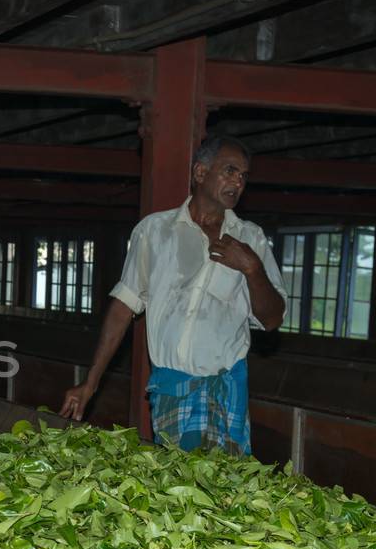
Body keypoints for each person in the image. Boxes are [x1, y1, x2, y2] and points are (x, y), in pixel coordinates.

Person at [59, 136, 285, 454]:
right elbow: (123, 308)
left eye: (244, 176)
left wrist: (252, 268)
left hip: (224, 389)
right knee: (184, 489)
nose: (238, 181)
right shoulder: (155, 231)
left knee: (219, 489)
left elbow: (273, 319)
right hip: (172, 390)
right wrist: (91, 382)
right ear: (200, 173)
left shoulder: (251, 239)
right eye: (230, 171)